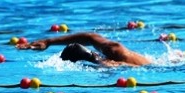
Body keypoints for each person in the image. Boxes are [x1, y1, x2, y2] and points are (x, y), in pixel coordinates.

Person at [16, 32, 151, 67]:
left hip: (154, 65)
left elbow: (129, 67)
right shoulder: (104, 54)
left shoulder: (113, 51)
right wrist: (48, 41)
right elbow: (90, 37)